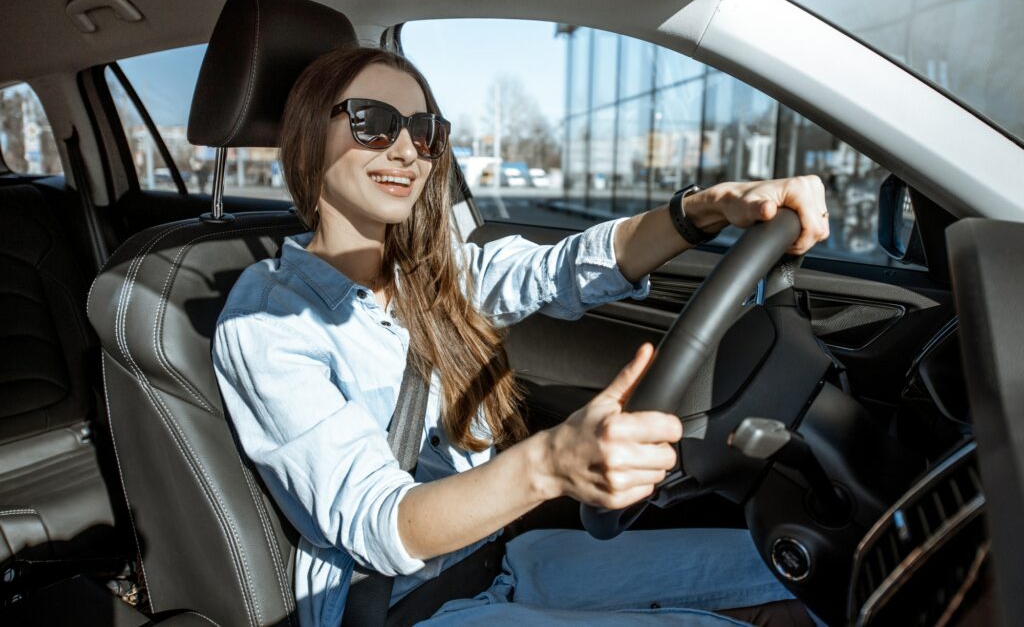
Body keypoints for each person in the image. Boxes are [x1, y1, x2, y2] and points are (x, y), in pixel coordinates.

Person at [212, 47, 831, 627]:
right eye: (373, 122)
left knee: (800, 573)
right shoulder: (269, 323)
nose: (406, 149)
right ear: (306, 134)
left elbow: (561, 269)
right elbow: (383, 525)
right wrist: (549, 464)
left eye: (424, 130)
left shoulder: (433, 272)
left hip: (503, 559)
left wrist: (709, 209)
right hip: (407, 607)